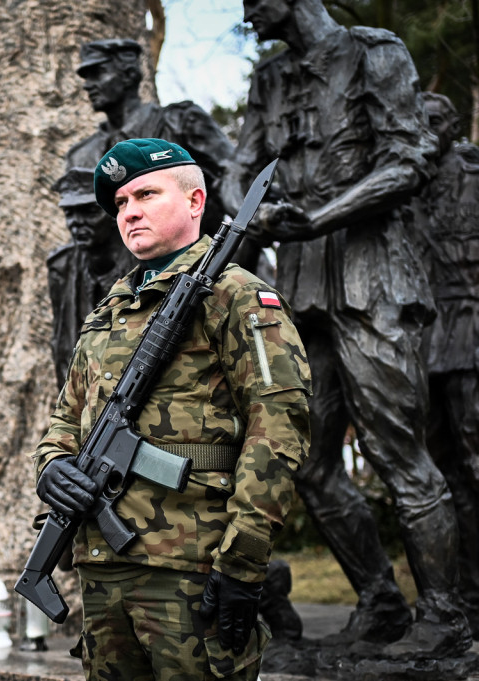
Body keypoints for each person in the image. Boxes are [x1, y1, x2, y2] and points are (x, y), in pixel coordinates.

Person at [227, 0, 472, 657]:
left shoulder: (376, 52)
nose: (247, 11)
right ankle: (381, 601)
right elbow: (237, 167)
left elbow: (407, 162)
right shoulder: (269, 82)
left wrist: (320, 215)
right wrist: (244, 209)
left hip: (374, 278)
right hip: (303, 287)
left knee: (399, 453)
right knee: (307, 461)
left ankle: (447, 621)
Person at [33, 138, 311, 681]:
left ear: (194, 202)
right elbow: (66, 418)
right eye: (120, 204)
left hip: (190, 566)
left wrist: (244, 560)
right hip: (102, 570)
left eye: (146, 194)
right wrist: (52, 468)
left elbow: (278, 426)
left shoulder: (237, 296)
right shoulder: (109, 310)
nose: (129, 211)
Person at [414, 92, 479, 636]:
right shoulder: (406, 189)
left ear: (453, 126)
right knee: (444, 473)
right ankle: (467, 596)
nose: (425, 131)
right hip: (427, 340)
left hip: (473, 331)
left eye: (435, 122)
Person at [65, 39, 235, 235]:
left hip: (196, 256)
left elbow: (235, 175)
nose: (87, 86)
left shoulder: (181, 122)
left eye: (97, 74)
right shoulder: (80, 156)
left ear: (128, 76)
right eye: (86, 78)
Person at [47, 166, 136, 387]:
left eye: (89, 212)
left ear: (113, 213)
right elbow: (62, 343)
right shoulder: (61, 267)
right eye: (70, 214)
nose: (76, 223)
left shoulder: (144, 261)